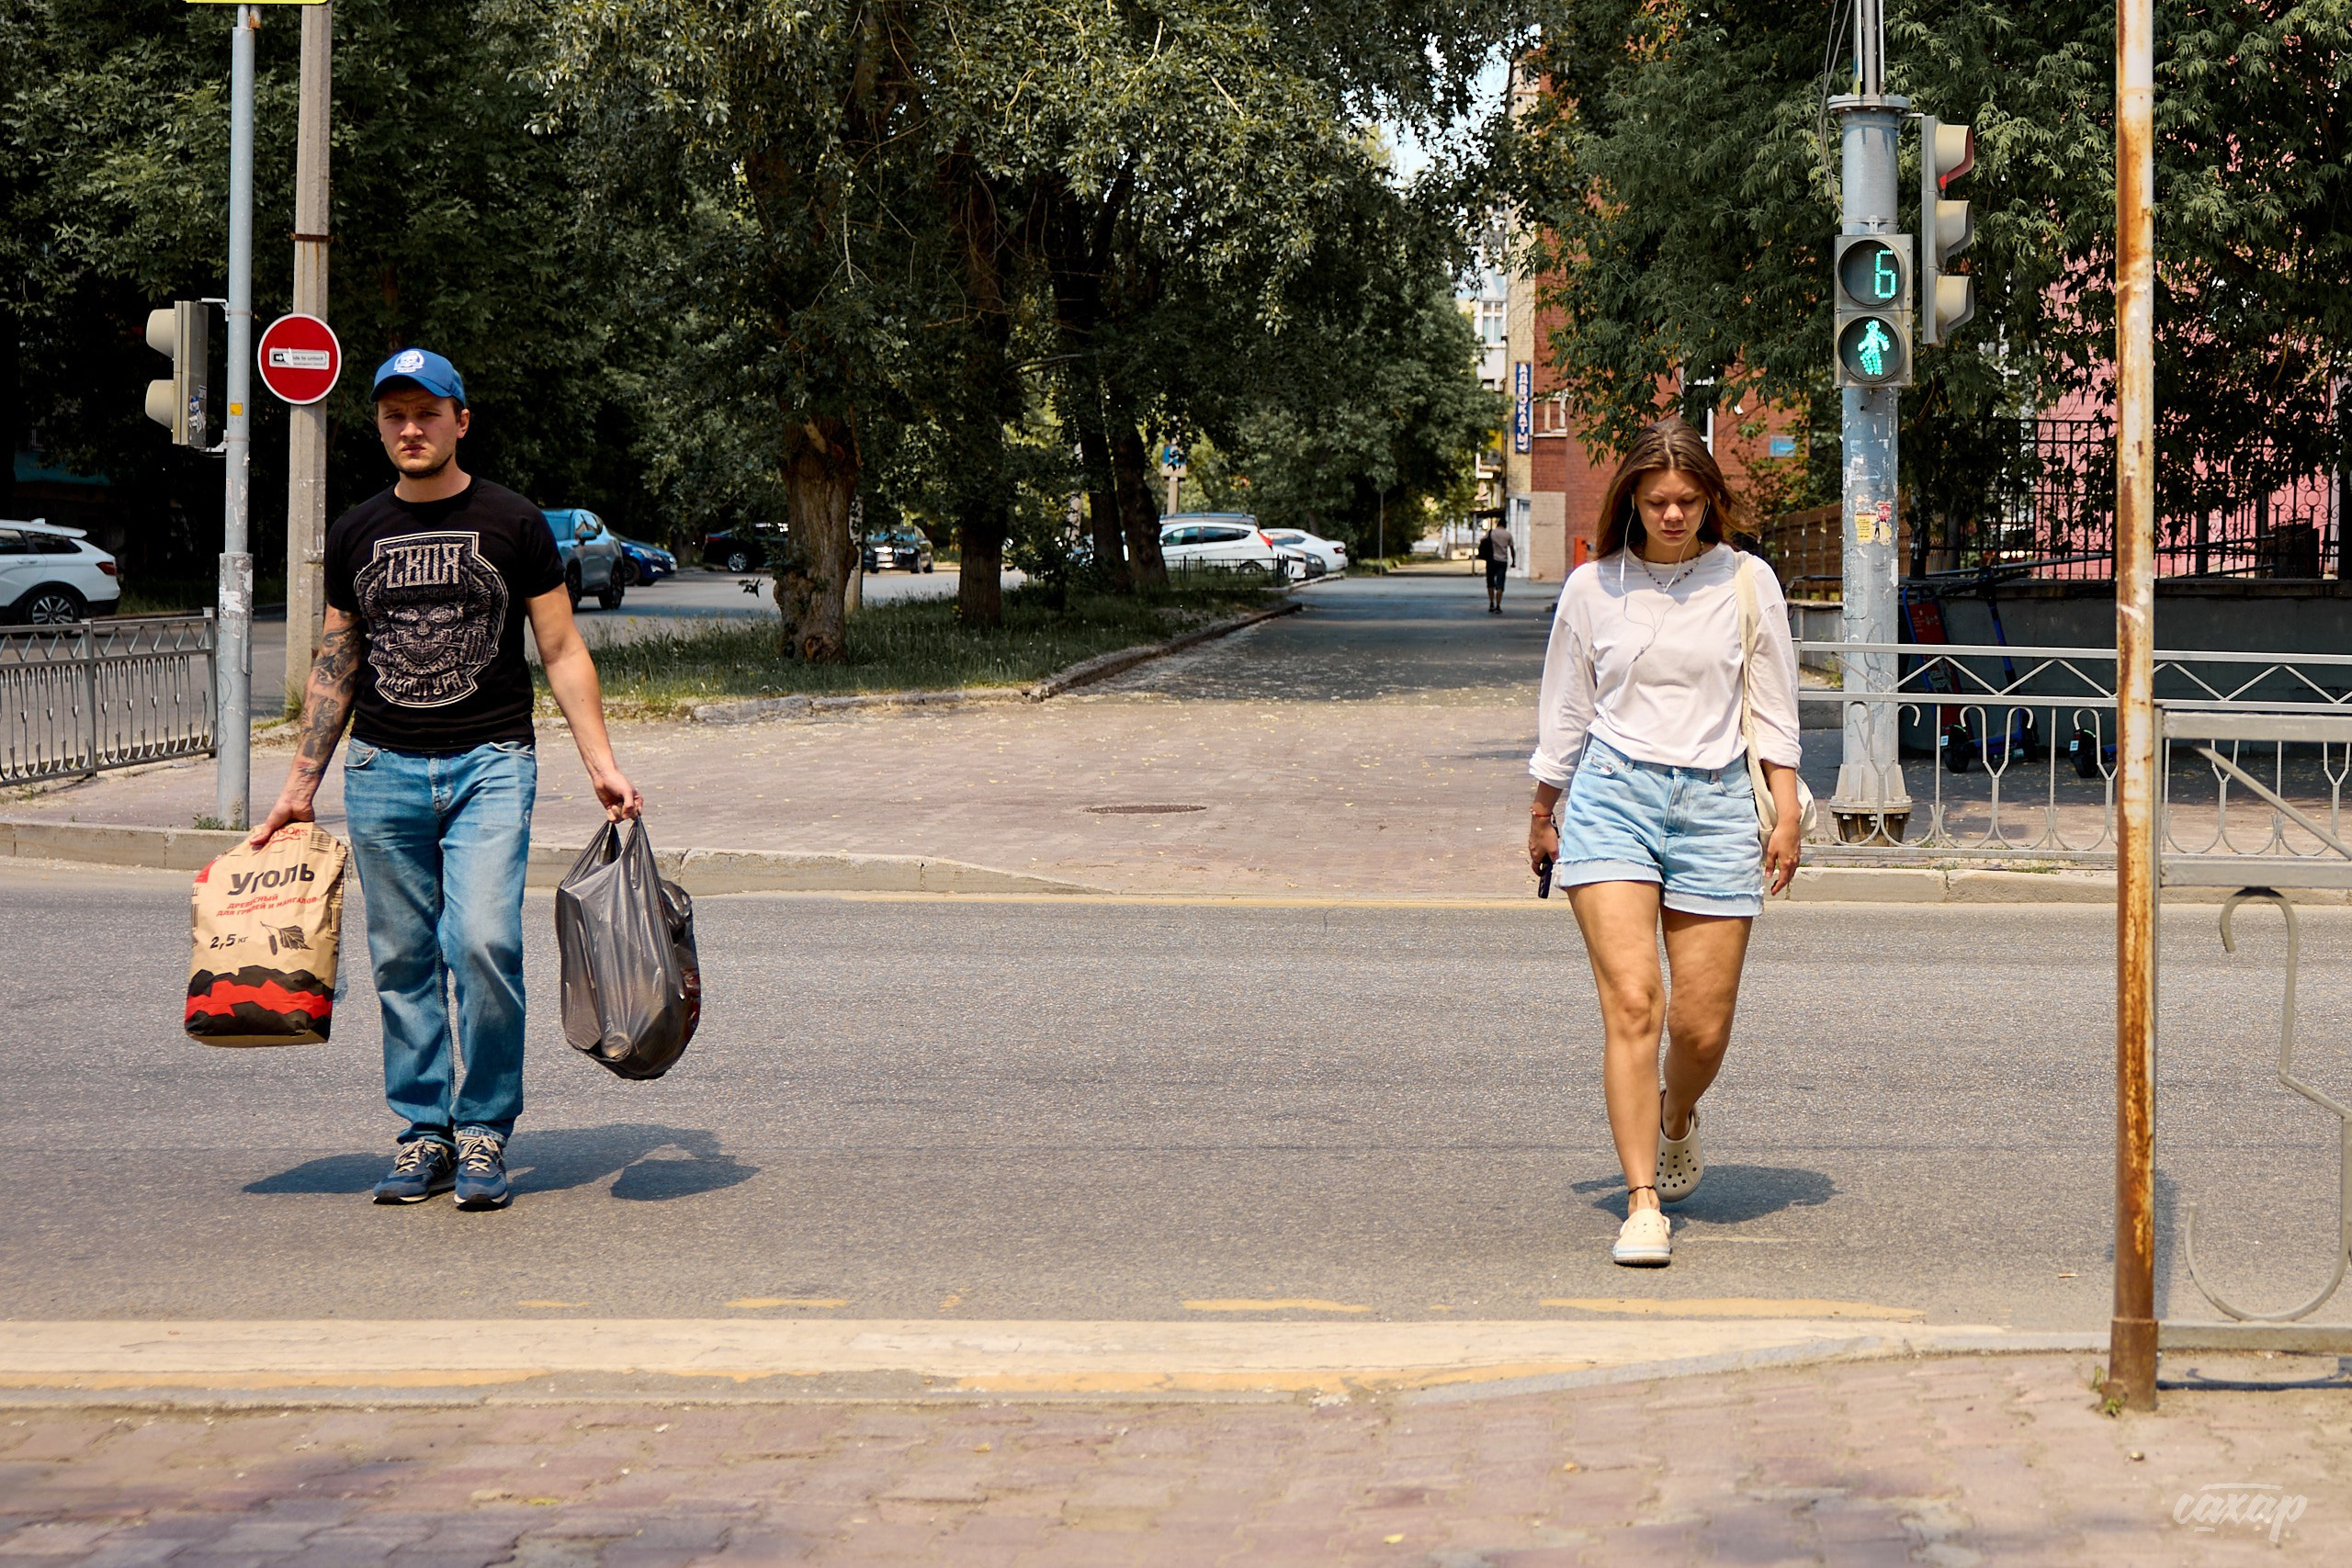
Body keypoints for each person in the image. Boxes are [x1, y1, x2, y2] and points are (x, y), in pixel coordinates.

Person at [252, 348, 642, 1211]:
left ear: (461, 420)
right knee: (401, 959)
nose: (411, 428)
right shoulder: (357, 529)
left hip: (490, 765)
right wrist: (298, 782)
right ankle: (424, 1129)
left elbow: (562, 647)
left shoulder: (514, 522)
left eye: (428, 412)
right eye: (395, 414)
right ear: (381, 425)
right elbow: (336, 660)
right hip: (382, 768)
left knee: (483, 944)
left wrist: (601, 764)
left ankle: (484, 1127)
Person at [1524, 415, 1802, 1268]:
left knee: (1701, 1025)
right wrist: (1545, 805)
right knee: (1635, 1002)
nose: (1673, 515)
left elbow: (1771, 707)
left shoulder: (1748, 582)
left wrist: (1785, 810)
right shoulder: (1592, 586)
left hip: (1718, 803)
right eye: (1657, 501)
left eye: (1687, 500)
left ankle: (1677, 1116)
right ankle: (1643, 1200)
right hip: (1613, 796)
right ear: (1631, 502)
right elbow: (1568, 706)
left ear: (1711, 501)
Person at [1477, 519, 1516, 613]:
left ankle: (1491, 603)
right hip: (1502, 561)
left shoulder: (1491, 533)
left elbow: (1482, 541)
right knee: (1500, 584)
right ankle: (1498, 606)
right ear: (1505, 525)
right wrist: (1513, 561)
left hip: (1491, 561)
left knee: (1490, 583)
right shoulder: (1508, 535)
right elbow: (1511, 549)